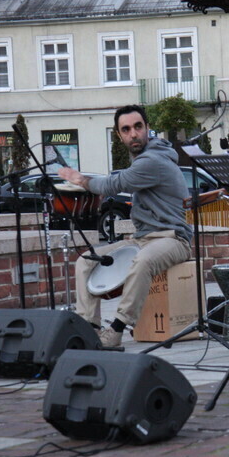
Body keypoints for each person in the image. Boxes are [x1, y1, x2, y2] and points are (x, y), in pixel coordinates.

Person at [58, 105, 192, 348]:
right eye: (126, 129)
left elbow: (114, 183)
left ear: (148, 129)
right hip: (143, 239)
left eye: (138, 127)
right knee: (87, 260)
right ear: (119, 136)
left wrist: (79, 179)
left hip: (174, 239)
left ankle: (117, 329)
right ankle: (90, 327)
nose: (133, 134)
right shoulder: (142, 159)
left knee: (143, 261)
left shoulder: (153, 160)